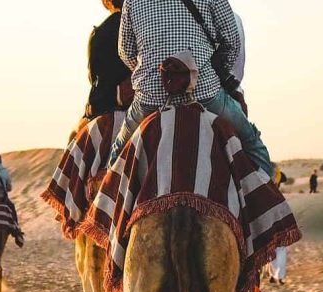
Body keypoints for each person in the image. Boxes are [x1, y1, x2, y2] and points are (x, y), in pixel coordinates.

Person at [109, 0, 274, 179]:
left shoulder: (131, 1)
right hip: (203, 91)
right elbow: (232, 40)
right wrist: (218, 72)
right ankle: (269, 197)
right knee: (251, 141)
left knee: (119, 150)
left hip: (151, 97)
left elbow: (125, 51)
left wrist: (153, 74)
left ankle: (108, 200)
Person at [84, 0, 132, 120]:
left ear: (106, 2)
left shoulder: (100, 34)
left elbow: (98, 94)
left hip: (116, 112)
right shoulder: (158, 24)